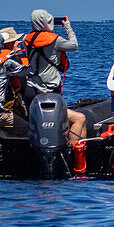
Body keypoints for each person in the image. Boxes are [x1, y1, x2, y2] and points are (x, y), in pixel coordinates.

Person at [21, 10, 84, 143]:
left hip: (30, 89)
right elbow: (74, 45)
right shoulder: (55, 40)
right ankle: (71, 154)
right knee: (77, 119)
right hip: (49, 91)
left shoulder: (26, 40)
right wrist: (67, 26)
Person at [0, 28, 30, 136]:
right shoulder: (9, 62)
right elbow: (20, 83)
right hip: (4, 109)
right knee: (28, 129)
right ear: (12, 42)